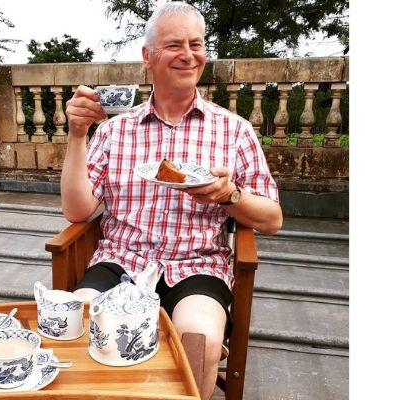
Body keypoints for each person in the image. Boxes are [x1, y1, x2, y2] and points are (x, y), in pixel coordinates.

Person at [61, 2, 282, 399]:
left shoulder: (234, 130)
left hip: (196, 264)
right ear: (147, 57)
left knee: (198, 340)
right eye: (173, 44)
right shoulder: (115, 131)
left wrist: (229, 195)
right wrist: (78, 134)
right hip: (120, 261)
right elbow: (77, 211)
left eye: (196, 44)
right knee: (76, 321)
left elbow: (271, 218)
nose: (188, 54)